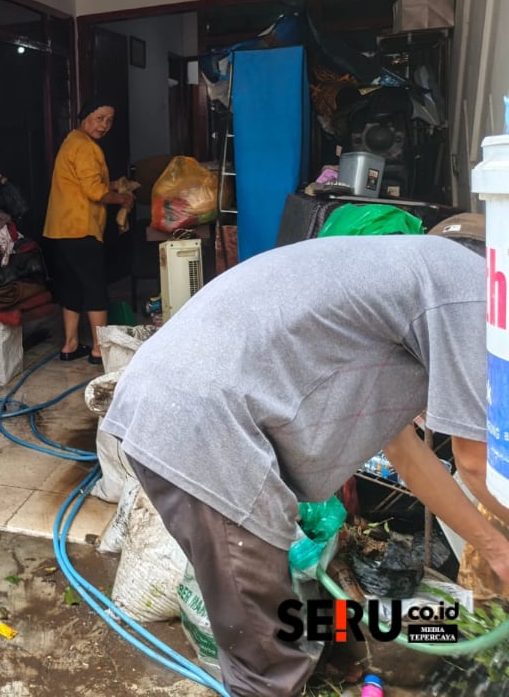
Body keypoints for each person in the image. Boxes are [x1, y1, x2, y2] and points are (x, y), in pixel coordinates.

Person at [99, 214, 509, 697]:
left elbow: (409, 457)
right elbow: (478, 465)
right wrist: (500, 547)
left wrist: (493, 547)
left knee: (278, 618)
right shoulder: (475, 293)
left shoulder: (415, 279)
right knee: (266, 660)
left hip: (177, 407)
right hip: (205, 431)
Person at [42, 97, 135, 366]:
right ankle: (97, 349)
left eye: (109, 120)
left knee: (70, 288)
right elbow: (94, 192)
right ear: (84, 117)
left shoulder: (72, 141)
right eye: (99, 118)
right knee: (95, 289)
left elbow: (87, 181)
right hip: (80, 230)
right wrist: (123, 199)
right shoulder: (85, 148)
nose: (104, 125)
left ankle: (70, 345)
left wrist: (117, 184)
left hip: (59, 231)